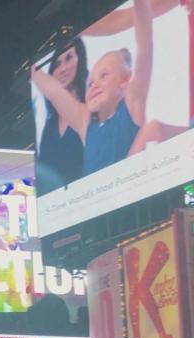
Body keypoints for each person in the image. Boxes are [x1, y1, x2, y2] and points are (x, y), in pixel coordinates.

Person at [32, 0, 153, 176]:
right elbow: (54, 92)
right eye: (90, 83)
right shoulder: (86, 122)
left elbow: (145, 44)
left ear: (125, 80)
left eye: (103, 76)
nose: (93, 84)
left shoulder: (132, 105)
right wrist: (31, 70)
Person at [35, 38, 88, 193]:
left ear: (80, 59)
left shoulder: (89, 110)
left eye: (68, 58)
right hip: (57, 209)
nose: (63, 69)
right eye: (57, 64)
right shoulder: (49, 126)